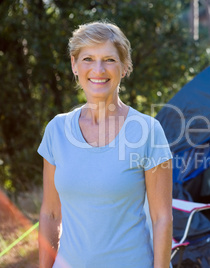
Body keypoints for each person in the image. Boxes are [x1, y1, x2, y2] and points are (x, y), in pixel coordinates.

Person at [38, 21, 173, 268]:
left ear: (124, 67)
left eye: (109, 60)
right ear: (74, 65)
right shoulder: (56, 130)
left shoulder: (148, 131)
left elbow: (162, 217)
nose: (98, 69)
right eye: (88, 58)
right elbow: (50, 214)